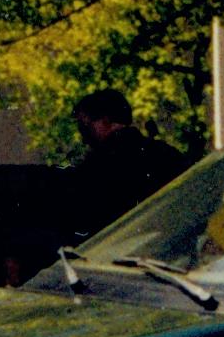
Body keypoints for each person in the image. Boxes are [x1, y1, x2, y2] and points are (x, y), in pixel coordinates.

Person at [61, 88, 188, 241]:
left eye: (85, 128)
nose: (84, 139)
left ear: (105, 121)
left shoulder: (96, 169)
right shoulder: (165, 153)